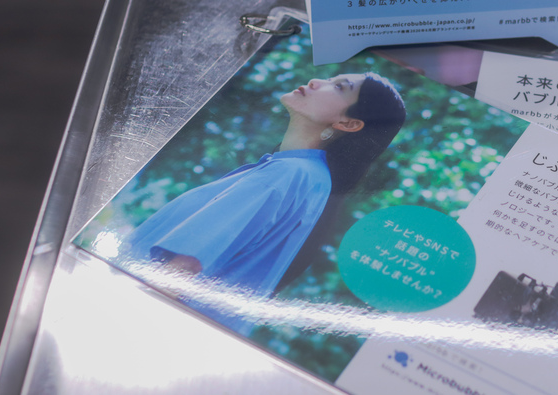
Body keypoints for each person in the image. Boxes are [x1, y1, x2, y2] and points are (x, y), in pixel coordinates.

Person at [116, 72, 406, 332]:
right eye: (331, 78)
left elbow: (184, 267)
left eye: (340, 87)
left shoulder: (288, 173)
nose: (317, 81)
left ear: (348, 123)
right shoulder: (313, 178)